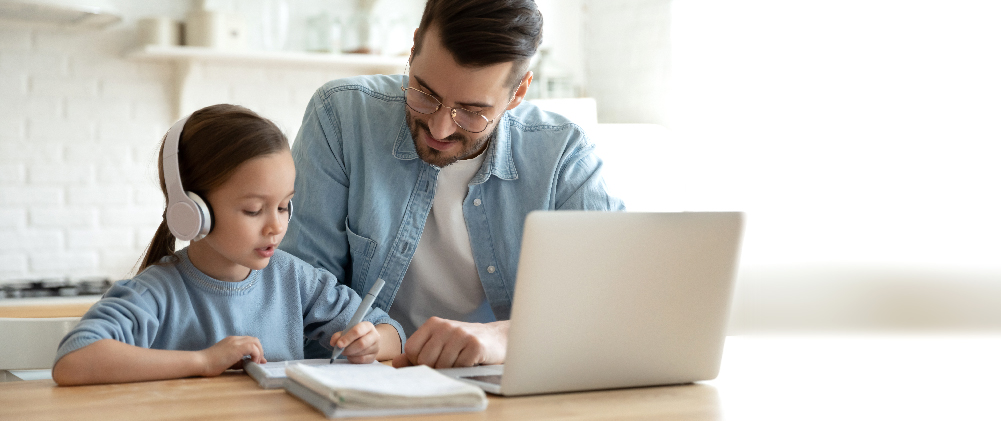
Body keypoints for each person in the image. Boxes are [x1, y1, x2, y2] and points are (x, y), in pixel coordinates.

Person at [279, 0, 624, 369]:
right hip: (364, 377)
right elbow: (299, 288)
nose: (440, 129)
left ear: (519, 92)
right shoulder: (342, 117)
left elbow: (613, 300)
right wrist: (378, 341)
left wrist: (503, 337)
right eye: (425, 94)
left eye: (472, 111)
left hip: (501, 386)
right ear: (413, 49)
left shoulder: (563, 155)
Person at [51, 104, 404, 386]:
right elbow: (73, 360)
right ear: (192, 212)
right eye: (253, 210)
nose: (276, 226)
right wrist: (203, 361)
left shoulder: (295, 279)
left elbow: (393, 334)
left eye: (284, 206)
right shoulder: (157, 292)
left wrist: (370, 343)